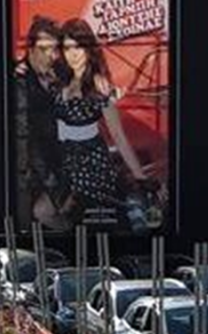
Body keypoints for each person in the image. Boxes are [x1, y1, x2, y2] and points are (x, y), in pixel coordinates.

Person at [53, 18, 153, 229]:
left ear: (89, 49)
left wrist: (141, 177)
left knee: (89, 232)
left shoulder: (99, 86)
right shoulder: (61, 81)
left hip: (92, 171)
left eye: (78, 47)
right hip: (66, 166)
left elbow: (118, 136)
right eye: (67, 48)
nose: (73, 54)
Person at [14, 16, 65, 228]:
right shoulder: (19, 79)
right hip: (29, 173)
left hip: (57, 164)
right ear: (31, 48)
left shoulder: (60, 75)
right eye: (43, 49)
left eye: (53, 50)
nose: (50, 56)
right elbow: (26, 133)